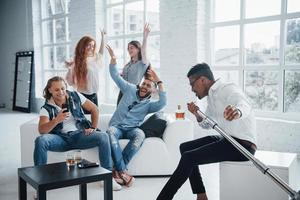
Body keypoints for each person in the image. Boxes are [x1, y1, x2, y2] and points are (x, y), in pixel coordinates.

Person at [157, 63, 257, 200]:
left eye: (192, 84)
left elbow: (243, 104)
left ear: (203, 80)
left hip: (242, 146)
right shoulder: (211, 97)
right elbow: (207, 125)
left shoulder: (227, 88)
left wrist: (237, 112)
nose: (192, 89)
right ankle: (201, 195)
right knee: (185, 147)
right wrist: (198, 114)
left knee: (189, 157)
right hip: (228, 140)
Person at [33, 76, 122, 191]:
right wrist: (56, 120)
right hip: (60, 139)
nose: (61, 92)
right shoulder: (46, 108)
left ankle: (107, 178)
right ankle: (40, 184)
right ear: (50, 90)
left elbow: (94, 109)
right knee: (41, 140)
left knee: (103, 137)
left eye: (63, 88)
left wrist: (93, 127)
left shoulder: (75, 95)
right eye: (56, 90)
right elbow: (42, 130)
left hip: (79, 135)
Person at [106, 45, 167, 187]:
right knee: (110, 132)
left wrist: (159, 82)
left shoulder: (150, 105)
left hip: (132, 129)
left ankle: (118, 171)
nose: (145, 86)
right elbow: (115, 76)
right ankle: (122, 171)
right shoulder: (130, 89)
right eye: (144, 83)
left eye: (148, 85)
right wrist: (113, 60)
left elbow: (163, 102)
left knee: (140, 134)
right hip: (116, 127)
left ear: (152, 90)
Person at [65, 29, 106, 113]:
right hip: (83, 96)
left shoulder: (95, 59)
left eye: (93, 46)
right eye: (88, 45)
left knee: (94, 118)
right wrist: (69, 69)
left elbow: (101, 52)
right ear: (82, 46)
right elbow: (69, 82)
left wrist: (103, 37)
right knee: (85, 120)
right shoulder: (76, 61)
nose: (91, 48)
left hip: (94, 94)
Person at [117, 23, 151, 104]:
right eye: (128, 48)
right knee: (119, 115)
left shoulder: (142, 63)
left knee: (128, 114)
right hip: (122, 92)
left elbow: (144, 51)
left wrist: (145, 37)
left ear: (138, 49)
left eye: (131, 48)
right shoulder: (128, 64)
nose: (129, 50)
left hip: (132, 92)